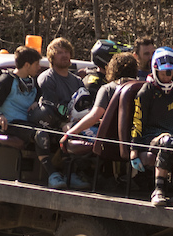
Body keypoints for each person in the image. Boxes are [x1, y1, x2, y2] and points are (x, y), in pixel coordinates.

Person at [60, 51, 141, 189]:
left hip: (108, 142)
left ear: (112, 68)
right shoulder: (142, 88)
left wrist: (69, 133)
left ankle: (72, 173)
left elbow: (94, 116)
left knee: (67, 126)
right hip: (134, 142)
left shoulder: (107, 89)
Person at [131, 47, 173, 206]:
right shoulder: (146, 92)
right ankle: (158, 190)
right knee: (168, 141)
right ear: (155, 70)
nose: (167, 77)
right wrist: (134, 151)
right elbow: (137, 122)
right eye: (163, 72)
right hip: (150, 139)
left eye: (171, 73)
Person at [35, 37, 83, 188]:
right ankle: (53, 175)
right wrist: (65, 124)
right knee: (42, 134)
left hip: (72, 122)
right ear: (51, 57)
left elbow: (83, 106)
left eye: (67, 52)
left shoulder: (77, 81)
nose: (65, 55)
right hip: (49, 123)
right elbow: (51, 107)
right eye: (60, 52)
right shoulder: (47, 78)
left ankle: (71, 175)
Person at [0, 45, 44, 147]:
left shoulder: (34, 81)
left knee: (50, 133)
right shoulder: (6, 80)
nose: (39, 67)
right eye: (36, 64)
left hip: (29, 123)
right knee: (41, 135)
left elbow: (41, 96)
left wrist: (37, 102)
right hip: (11, 125)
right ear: (27, 65)